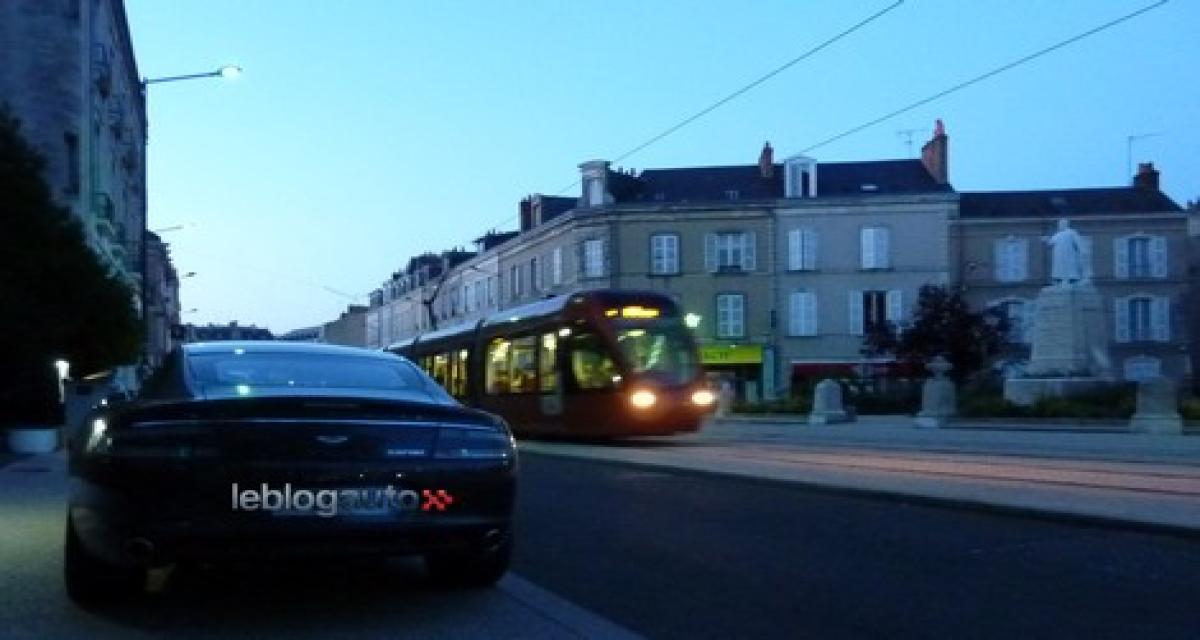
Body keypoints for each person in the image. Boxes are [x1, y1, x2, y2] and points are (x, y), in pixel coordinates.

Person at [1043, 218, 1086, 286]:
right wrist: (1046, 239)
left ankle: (1070, 280)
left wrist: (1082, 250)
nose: (1060, 225)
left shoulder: (1072, 232)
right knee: (1060, 268)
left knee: (1070, 267)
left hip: (1069, 254)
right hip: (1059, 255)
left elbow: (1078, 242)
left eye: (1062, 224)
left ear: (1066, 224)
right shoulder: (1058, 234)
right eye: (1060, 224)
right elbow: (1050, 242)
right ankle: (1061, 280)